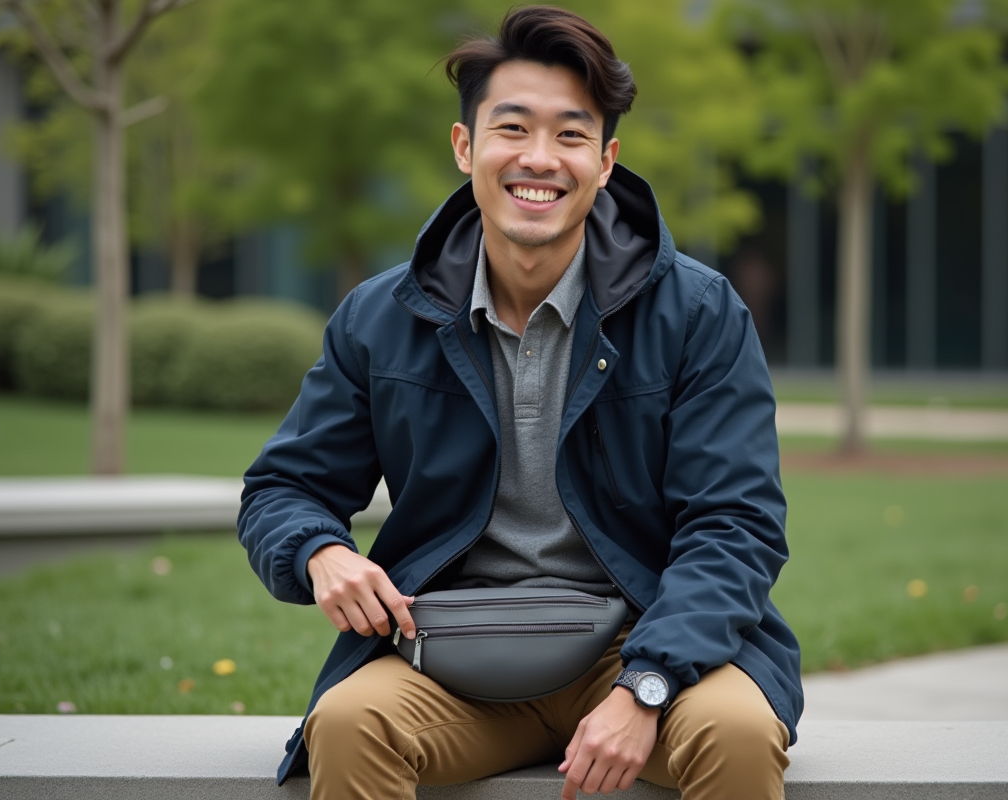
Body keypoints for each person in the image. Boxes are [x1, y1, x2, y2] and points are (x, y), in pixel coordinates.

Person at [238, 7, 803, 799]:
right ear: (465, 146)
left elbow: (735, 525)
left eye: (571, 135)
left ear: (606, 161)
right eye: (513, 128)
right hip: (454, 653)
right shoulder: (379, 317)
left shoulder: (698, 313)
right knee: (348, 724)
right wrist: (318, 551)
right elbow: (281, 489)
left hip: (647, 637)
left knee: (737, 735)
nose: (540, 159)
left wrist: (646, 683)